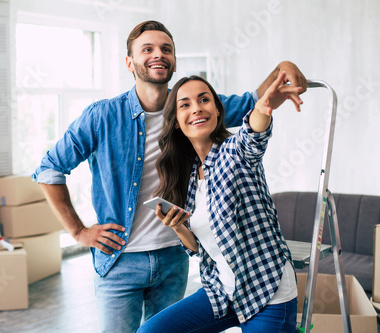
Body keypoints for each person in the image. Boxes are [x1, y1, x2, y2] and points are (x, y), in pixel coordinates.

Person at [31, 20, 306, 333]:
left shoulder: (195, 109)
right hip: (120, 261)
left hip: (173, 261)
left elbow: (256, 107)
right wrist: (79, 232)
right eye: (146, 49)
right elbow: (49, 170)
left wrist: (284, 67)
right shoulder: (102, 116)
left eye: (166, 49)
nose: (157, 55)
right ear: (129, 62)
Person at [137, 72, 302, 333]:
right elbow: (199, 249)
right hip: (223, 291)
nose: (197, 109)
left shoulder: (234, 152)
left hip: (267, 291)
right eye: (185, 104)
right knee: (151, 331)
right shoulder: (190, 176)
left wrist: (262, 108)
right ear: (177, 122)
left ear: (216, 110)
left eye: (204, 100)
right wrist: (178, 226)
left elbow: (253, 136)